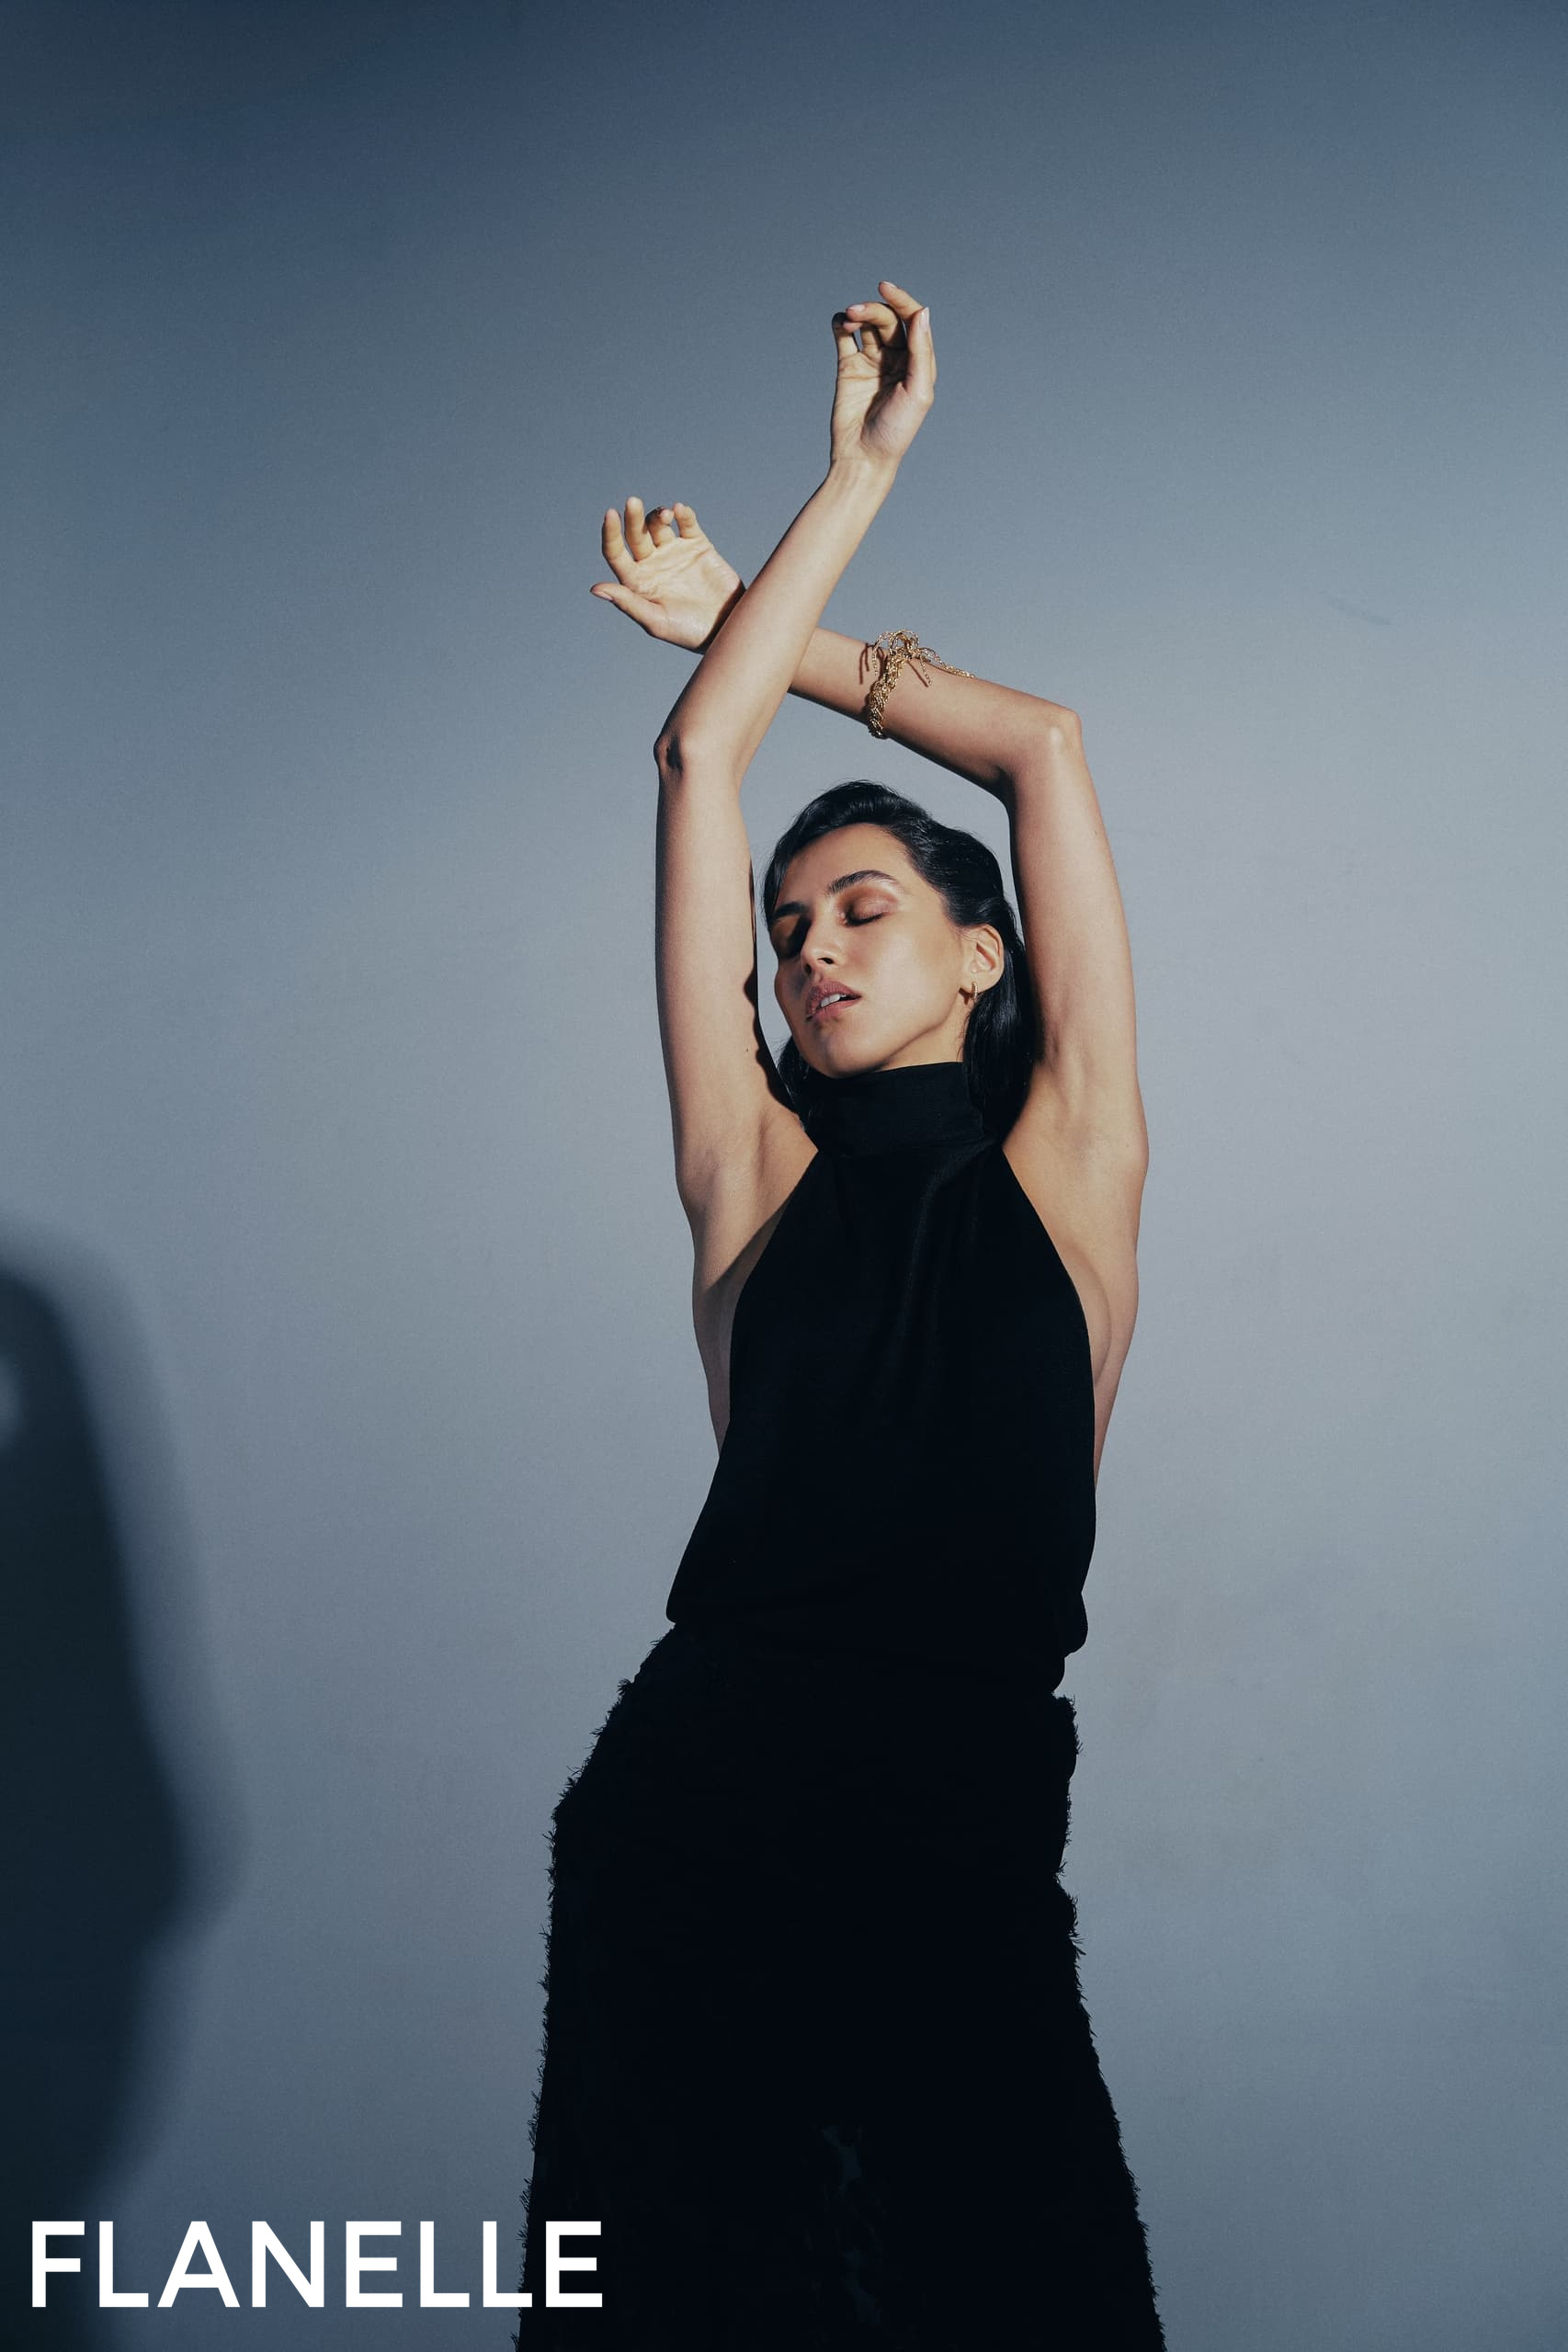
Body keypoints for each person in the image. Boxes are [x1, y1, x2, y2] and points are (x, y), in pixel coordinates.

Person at [516, 280, 1164, 2347]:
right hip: (699, 1813)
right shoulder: (754, 1179)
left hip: (962, 1821)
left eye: (864, 912)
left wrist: (816, 546)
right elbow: (698, 749)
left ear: (985, 952)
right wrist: (790, 560)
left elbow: (1040, 744)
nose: (807, 953)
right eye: (787, 931)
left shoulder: (1067, 1172)